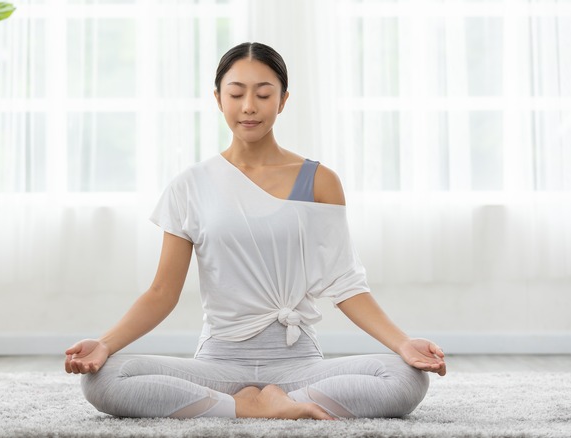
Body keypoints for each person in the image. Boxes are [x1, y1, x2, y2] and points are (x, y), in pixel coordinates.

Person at [64, 42, 446, 420]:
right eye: (236, 94)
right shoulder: (191, 185)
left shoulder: (319, 181)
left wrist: (403, 343)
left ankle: (249, 404)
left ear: (283, 101)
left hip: (298, 364)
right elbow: (162, 292)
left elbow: (346, 284)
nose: (249, 106)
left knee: (405, 378)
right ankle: (249, 406)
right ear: (218, 99)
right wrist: (105, 344)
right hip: (219, 364)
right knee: (105, 379)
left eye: (263, 95)